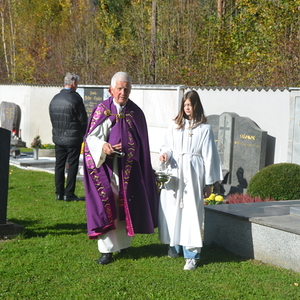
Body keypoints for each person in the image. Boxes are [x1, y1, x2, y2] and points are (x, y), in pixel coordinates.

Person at [83, 71, 159, 265]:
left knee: (126, 206)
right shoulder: (102, 110)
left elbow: (143, 143)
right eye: (119, 89)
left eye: (126, 89)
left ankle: (124, 245)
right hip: (107, 170)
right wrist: (103, 146)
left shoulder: (136, 113)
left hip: (130, 171)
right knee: (108, 205)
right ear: (111, 90)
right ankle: (107, 251)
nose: (123, 92)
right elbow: (91, 137)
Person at [158, 90, 223, 270]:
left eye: (190, 105)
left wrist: (208, 183)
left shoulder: (204, 128)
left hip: (193, 173)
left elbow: (209, 156)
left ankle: (192, 254)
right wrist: (165, 154)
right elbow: (167, 146)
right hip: (175, 171)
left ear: (197, 106)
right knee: (172, 209)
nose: (187, 108)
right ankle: (174, 245)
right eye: (185, 105)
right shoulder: (175, 125)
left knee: (191, 213)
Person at [49, 72, 88, 201]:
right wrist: (84, 133)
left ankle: (59, 192)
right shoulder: (76, 98)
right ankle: (69, 193)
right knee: (72, 165)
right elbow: (83, 119)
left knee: (59, 165)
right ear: (74, 83)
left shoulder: (55, 98)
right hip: (73, 137)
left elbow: (52, 117)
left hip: (59, 137)